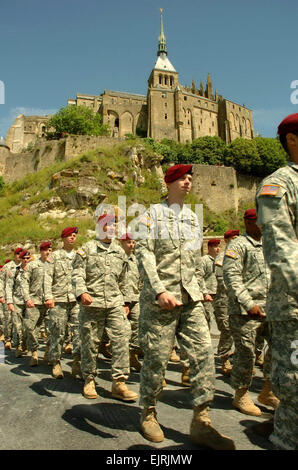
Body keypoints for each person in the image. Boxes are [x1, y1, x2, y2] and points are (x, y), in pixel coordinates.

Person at [135, 163, 235, 450]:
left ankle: (201, 421)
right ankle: (148, 412)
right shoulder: (150, 215)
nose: (188, 183)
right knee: (156, 360)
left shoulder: (193, 218)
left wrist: (202, 289)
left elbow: (193, 259)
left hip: (190, 299)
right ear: (169, 183)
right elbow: (143, 254)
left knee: (204, 355)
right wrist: (158, 290)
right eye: (182, 178)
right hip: (161, 301)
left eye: (190, 179)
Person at [256, 113, 298, 450]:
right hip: (293, 305)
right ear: (292, 141)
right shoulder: (278, 185)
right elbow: (280, 247)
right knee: (295, 389)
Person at [72, 214, 138, 402]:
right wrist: (82, 292)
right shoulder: (87, 249)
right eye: (107, 225)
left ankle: (119, 382)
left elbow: (125, 279)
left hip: (115, 303)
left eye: (114, 226)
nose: (111, 228)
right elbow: (77, 274)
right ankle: (89, 379)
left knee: (121, 339)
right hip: (92, 303)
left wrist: (126, 302)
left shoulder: (119, 252)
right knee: (90, 342)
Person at [223, 209, 279, 416]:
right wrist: (248, 303)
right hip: (245, 312)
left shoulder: (269, 245)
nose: (263, 225)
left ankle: (268, 390)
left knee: (278, 350)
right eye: (258, 221)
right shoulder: (238, 245)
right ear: (247, 222)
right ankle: (241, 395)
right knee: (247, 354)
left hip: (271, 308)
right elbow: (231, 277)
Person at [44, 227, 81, 379]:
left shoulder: (80, 255)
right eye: (69, 236)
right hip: (58, 298)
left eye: (74, 235)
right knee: (57, 331)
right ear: (63, 238)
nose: (72, 238)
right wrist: (48, 296)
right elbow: (47, 277)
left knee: (79, 331)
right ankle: (56, 362)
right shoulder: (54, 256)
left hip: (76, 298)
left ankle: (77, 362)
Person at [213, 229, 239, 376]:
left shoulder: (240, 256)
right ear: (227, 240)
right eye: (233, 238)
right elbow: (221, 280)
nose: (236, 241)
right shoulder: (221, 258)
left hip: (238, 300)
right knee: (227, 329)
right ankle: (225, 358)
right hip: (224, 300)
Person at [22, 242, 52, 367]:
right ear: (41, 251)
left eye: (50, 250)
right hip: (34, 301)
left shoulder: (53, 265)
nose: (48, 252)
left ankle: (48, 351)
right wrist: (27, 298)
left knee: (52, 329)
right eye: (45, 250)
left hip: (50, 302)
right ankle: (34, 351)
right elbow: (24, 282)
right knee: (30, 327)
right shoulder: (33, 265)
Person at [119, 232, 142, 372]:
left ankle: (132, 355)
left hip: (135, 298)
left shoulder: (136, 259)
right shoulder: (117, 258)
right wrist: (122, 300)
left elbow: (139, 280)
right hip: (120, 300)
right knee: (122, 330)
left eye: (133, 242)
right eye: (129, 242)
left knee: (137, 326)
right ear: (122, 243)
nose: (132, 245)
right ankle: (121, 359)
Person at [6, 250, 31, 357]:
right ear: (20, 259)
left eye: (28, 258)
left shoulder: (33, 270)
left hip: (29, 302)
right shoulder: (14, 271)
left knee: (27, 326)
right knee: (17, 326)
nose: (26, 260)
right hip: (17, 301)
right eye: (24, 258)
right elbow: (9, 287)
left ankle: (25, 343)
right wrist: (9, 302)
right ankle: (18, 346)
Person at [2, 250, 23, 350]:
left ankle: (19, 340)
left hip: (19, 297)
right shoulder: (7, 267)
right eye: (18, 254)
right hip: (8, 295)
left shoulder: (25, 265)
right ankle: (8, 339)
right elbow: (1, 282)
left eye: (21, 254)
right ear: (15, 255)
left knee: (18, 320)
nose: (19, 256)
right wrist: (1, 295)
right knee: (8, 319)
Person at [200, 238, 221, 329]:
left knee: (223, 320)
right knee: (207, 318)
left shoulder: (220, 260)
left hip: (220, 294)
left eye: (218, 246)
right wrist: (205, 293)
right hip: (208, 295)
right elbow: (200, 277)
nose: (218, 249)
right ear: (209, 248)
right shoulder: (203, 260)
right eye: (215, 246)